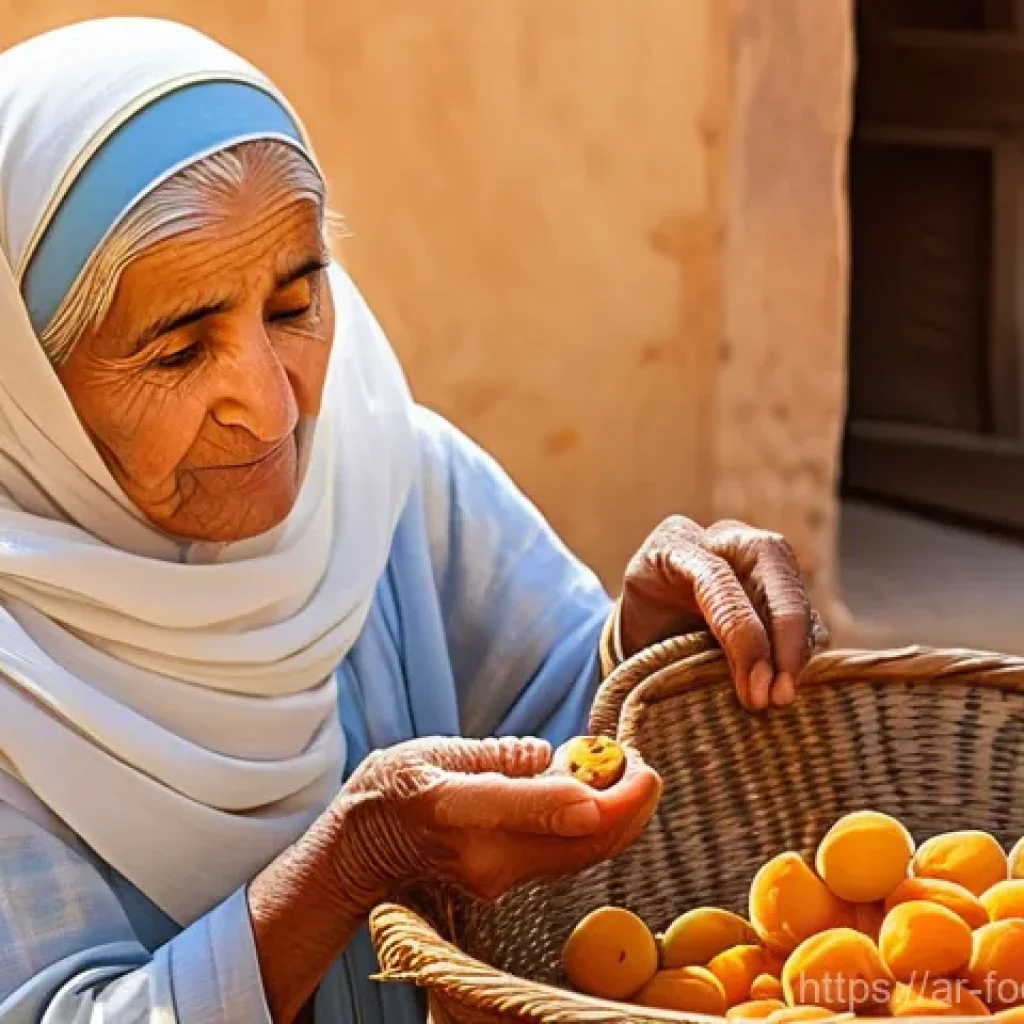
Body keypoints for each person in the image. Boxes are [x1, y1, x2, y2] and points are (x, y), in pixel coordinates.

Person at [0, 18, 818, 1024]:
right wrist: (349, 865)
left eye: (295, 305)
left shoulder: (381, 474)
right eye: (178, 352)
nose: (270, 402)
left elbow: (552, 719)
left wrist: (639, 651)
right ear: (22, 386)